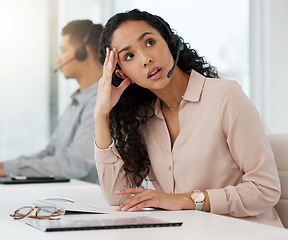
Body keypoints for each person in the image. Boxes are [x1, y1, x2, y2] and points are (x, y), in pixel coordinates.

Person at [94, 9, 283, 227]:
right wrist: (101, 115)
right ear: (123, 74)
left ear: (169, 42)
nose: (146, 59)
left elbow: (265, 189)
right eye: (129, 56)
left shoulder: (225, 97)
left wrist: (185, 200)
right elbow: (119, 197)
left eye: (149, 42)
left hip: (248, 232)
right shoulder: (144, 119)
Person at [0, 20, 103, 183]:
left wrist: (7, 168)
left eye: (63, 51)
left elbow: (76, 164)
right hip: (69, 194)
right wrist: (5, 167)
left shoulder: (101, 101)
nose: (58, 59)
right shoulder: (77, 101)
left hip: (89, 200)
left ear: (82, 52)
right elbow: (51, 152)